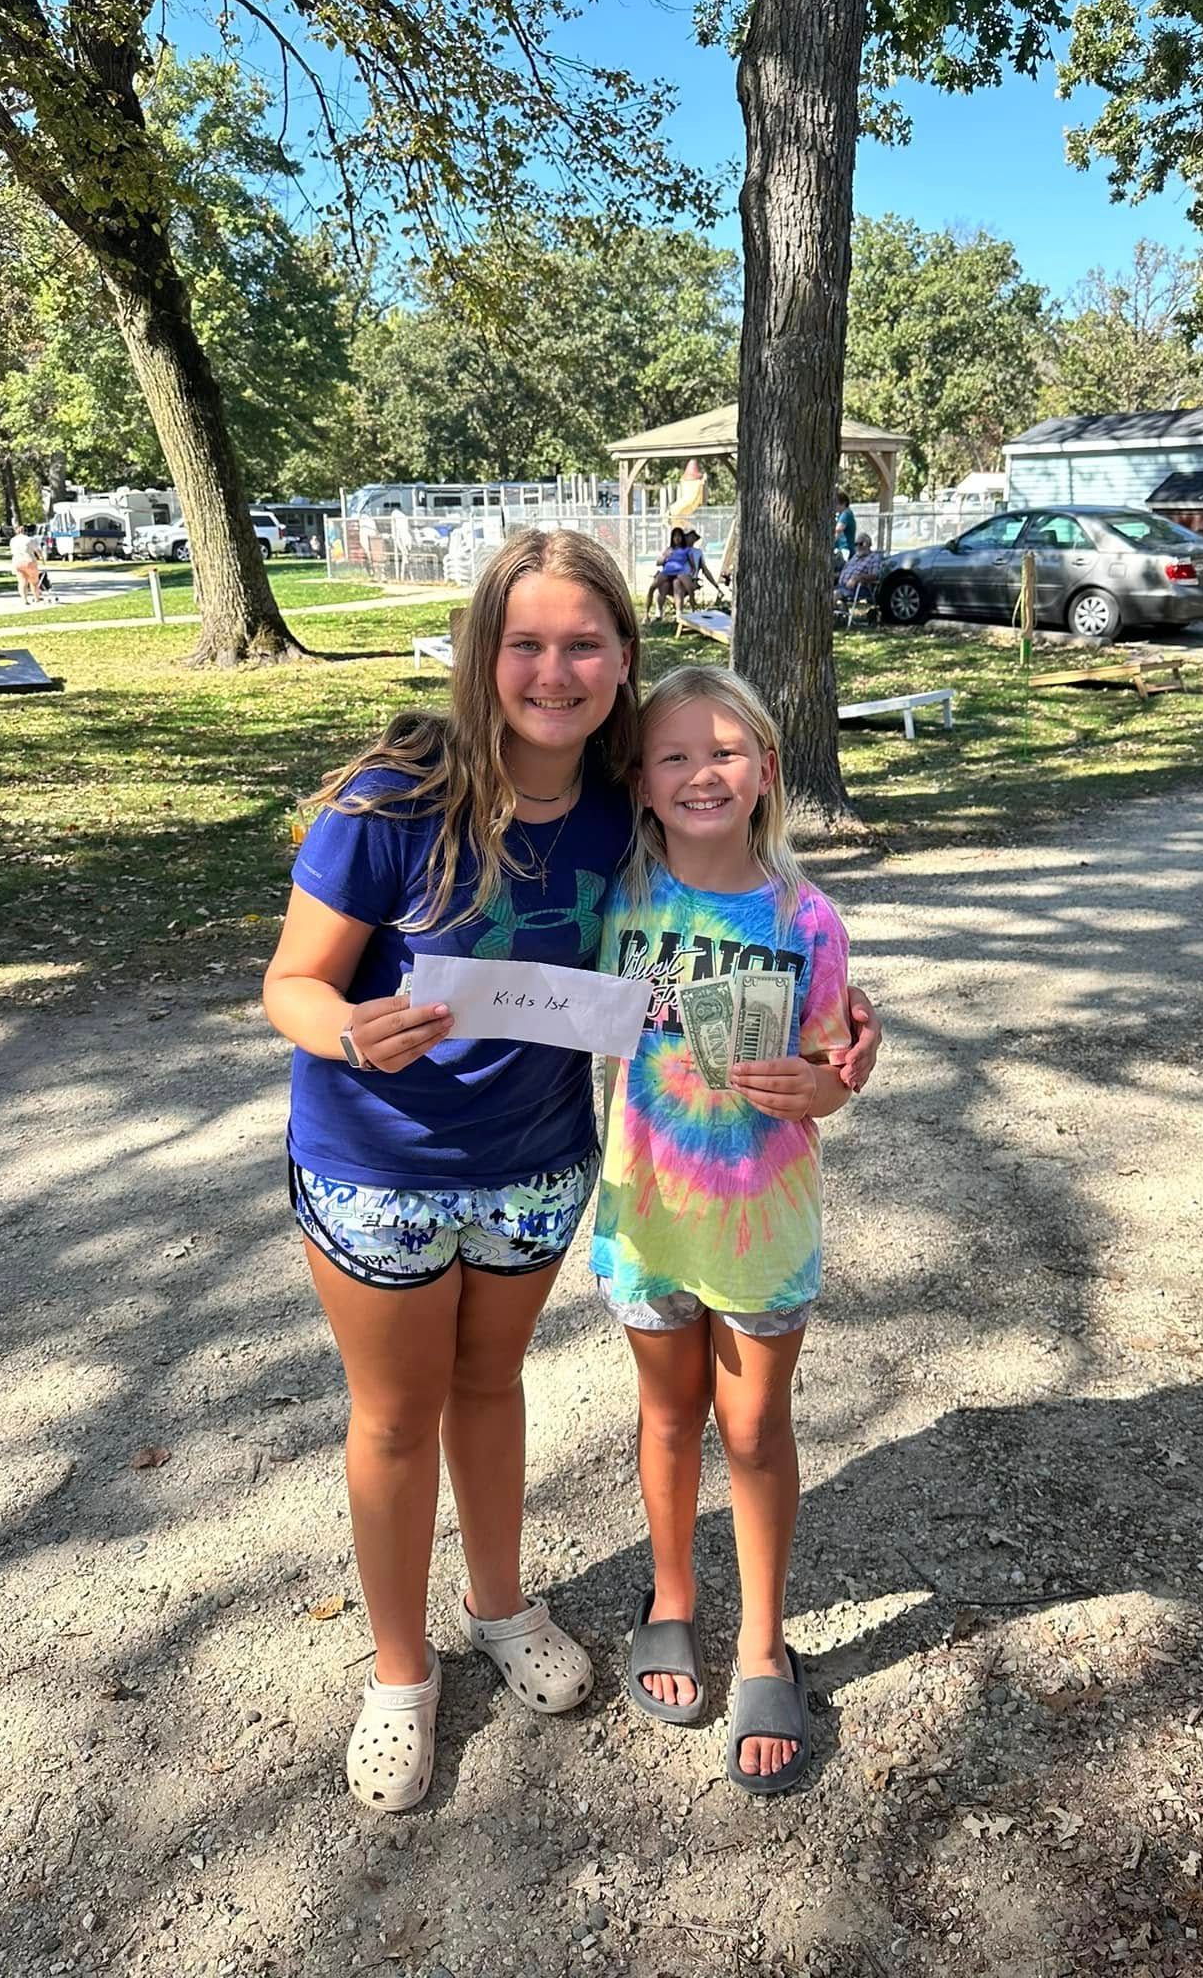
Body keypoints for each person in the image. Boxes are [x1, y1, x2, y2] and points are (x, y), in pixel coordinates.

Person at [262, 530, 882, 1814]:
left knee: (489, 1388)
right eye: (526, 641)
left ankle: (501, 1607)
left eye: (583, 642)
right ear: (482, 651)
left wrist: (845, 1022)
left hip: (541, 1165)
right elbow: (291, 983)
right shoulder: (390, 797)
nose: (553, 668)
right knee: (393, 1415)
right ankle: (398, 1672)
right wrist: (345, 1026)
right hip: (380, 1162)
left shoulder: (630, 799)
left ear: (622, 659)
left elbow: (755, 925)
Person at [592, 663, 852, 1795]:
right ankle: (672, 1594)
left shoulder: (808, 917)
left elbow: (838, 1064)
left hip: (762, 1227)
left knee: (752, 1431)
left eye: (727, 752)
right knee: (666, 1416)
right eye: (675, 754)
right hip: (649, 1218)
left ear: (768, 773)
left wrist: (822, 1086)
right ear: (641, 782)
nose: (703, 772)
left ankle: (761, 1639)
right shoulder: (615, 900)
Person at [643, 527, 690, 619]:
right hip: (666, 573)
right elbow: (658, 562)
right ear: (672, 538)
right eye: (675, 536)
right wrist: (665, 557)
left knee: (677, 585)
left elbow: (692, 564)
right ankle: (650, 613)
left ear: (682, 538)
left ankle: (679, 614)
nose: (677, 538)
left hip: (679, 575)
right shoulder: (668, 549)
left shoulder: (687, 550)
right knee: (653, 587)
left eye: (679, 536)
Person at [836, 534, 885, 621]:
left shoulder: (874, 557)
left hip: (858, 589)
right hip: (841, 586)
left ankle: (830, 620)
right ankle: (840, 615)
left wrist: (857, 578)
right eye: (856, 544)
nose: (858, 546)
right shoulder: (855, 557)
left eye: (861, 543)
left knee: (832, 595)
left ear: (869, 544)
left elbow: (875, 576)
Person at [8, 526, 43, 607]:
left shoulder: (12, 540)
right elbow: (37, 550)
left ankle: (24, 600)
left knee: (22, 581)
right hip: (29, 561)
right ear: (25, 531)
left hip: (17, 562)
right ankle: (36, 598)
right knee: (34, 581)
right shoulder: (29, 539)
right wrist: (41, 557)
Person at [833, 489, 858, 570]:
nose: (834, 506)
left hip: (845, 551)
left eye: (836, 504)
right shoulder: (840, 514)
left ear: (843, 503)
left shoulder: (846, 513)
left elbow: (838, 530)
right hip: (839, 549)